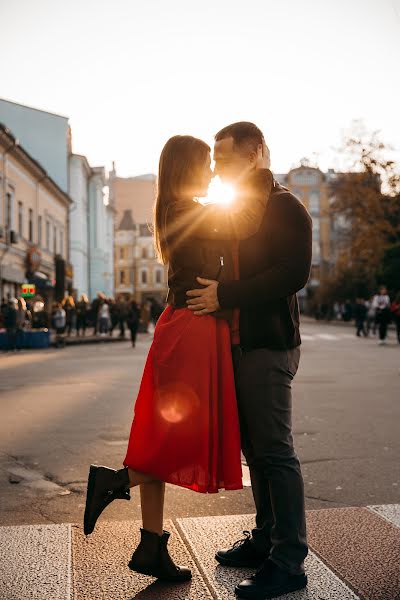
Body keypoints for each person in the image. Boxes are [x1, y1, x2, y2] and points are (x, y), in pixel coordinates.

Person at [83, 133, 272, 584]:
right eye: (206, 162)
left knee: (161, 438)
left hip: (185, 326)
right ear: (189, 168)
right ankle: (112, 483)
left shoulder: (177, 209)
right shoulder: (191, 212)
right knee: (176, 439)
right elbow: (244, 222)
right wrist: (259, 174)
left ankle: (151, 548)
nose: (211, 171)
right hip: (192, 329)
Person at [185, 122, 312, 599]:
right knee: (256, 452)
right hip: (235, 344)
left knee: (275, 452)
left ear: (256, 152)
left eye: (226, 159)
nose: (217, 169)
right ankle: (265, 540)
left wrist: (227, 294)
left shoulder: (284, 205)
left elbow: (293, 272)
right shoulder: (239, 206)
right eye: (214, 161)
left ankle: (289, 561)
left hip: (268, 343)